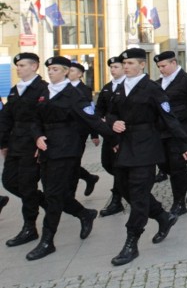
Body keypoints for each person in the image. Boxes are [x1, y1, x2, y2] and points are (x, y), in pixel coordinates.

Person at [107, 48, 187, 266]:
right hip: (126, 145)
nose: (126, 67)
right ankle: (164, 218)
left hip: (146, 147)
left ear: (142, 65)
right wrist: (112, 122)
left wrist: (184, 143)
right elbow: (111, 112)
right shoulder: (119, 88)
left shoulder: (152, 88)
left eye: (130, 64)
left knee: (138, 193)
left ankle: (131, 242)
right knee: (125, 188)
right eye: (124, 64)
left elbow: (169, 117)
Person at [27, 56, 113, 260]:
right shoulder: (44, 93)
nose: (51, 72)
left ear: (66, 71)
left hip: (67, 149)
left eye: (55, 69)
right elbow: (34, 120)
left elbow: (92, 119)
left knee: (54, 195)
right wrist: (37, 136)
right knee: (52, 193)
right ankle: (84, 214)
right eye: (49, 69)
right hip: (47, 148)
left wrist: (115, 138)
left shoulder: (74, 94)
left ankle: (47, 241)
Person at [1, 53, 49, 248]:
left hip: (33, 144)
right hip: (15, 144)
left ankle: (30, 227)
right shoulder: (15, 90)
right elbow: (6, 118)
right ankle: (58, 205)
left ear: (34, 66)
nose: (18, 69)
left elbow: (47, 119)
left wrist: (43, 144)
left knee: (27, 186)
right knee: (9, 182)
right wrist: (3, 143)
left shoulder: (43, 89)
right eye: (17, 65)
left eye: (22, 65)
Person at [153, 51, 187, 217]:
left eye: (163, 66)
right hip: (163, 130)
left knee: (177, 165)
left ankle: (179, 203)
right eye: (159, 67)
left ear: (173, 63)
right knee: (163, 164)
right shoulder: (158, 83)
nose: (161, 69)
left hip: (184, 129)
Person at [95, 56, 126, 217]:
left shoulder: (128, 86)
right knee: (107, 163)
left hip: (124, 134)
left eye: (116, 67)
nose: (113, 70)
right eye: (111, 67)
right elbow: (99, 110)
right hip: (109, 134)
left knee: (118, 166)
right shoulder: (107, 88)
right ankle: (123, 186)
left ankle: (116, 199)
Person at [67, 62, 100, 197]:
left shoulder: (84, 89)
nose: (69, 72)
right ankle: (89, 177)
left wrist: (94, 133)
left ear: (80, 74)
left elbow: (90, 112)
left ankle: (70, 195)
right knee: (67, 162)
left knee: (73, 163)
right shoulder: (61, 88)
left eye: (72, 70)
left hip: (79, 132)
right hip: (63, 132)